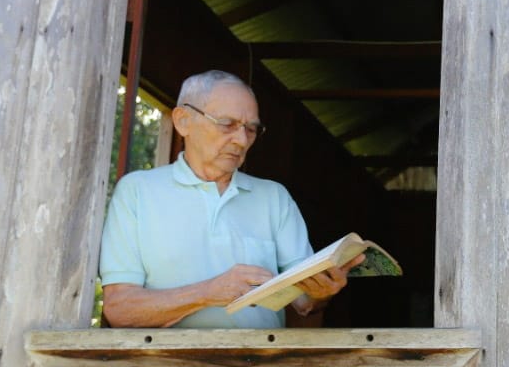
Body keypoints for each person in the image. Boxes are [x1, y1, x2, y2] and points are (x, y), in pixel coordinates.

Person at [99, 70, 362, 328]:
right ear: (183, 121)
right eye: (227, 124)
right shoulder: (137, 191)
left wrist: (323, 291)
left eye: (251, 129)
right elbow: (119, 309)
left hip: (260, 366)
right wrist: (208, 292)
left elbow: (304, 303)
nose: (241, 140)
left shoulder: (274, 198)